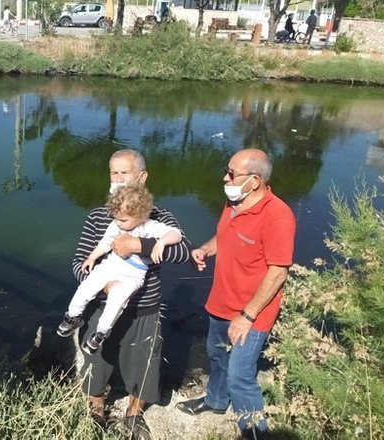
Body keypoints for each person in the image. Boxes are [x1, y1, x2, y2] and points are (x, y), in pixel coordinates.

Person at [175, 149, 296, 440]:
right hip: (221, 301)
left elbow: (278, 272)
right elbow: (226, 234)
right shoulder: (234, 203)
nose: (225, 178)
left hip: (252, 312)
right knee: (217, 356)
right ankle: (216, 401)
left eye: (231, 173)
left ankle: (255, 433)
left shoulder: (278, 216)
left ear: (255, 181)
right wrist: (206, 249)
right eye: (226, 170)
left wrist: (246, 316)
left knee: (241, 376)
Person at [72, 149, 191, 439]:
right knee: (96, 361)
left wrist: (140, 245)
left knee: (144, 366)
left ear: (142, 176)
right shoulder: (99, 215)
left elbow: (184, 252)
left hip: (144, 308)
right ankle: (97, 408)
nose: (117, 179)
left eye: (124, 173)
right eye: (113, 173)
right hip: (102, 305)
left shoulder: (159, 216)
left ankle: (134, 414)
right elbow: (78, 264)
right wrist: (105, 287)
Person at [58, 184, 182, 355]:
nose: (118, 223)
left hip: (134, 275)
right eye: (115, 218)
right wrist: (92, 257)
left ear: (140, 215)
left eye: (123, 220)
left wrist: (161, 242)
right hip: (111, 265)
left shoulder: (151, 227)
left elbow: (176, 234)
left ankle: (100, 333)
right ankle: (72, 316)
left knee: (117, 299)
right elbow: (105, 243)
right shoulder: (116, 225)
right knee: (87, 286)